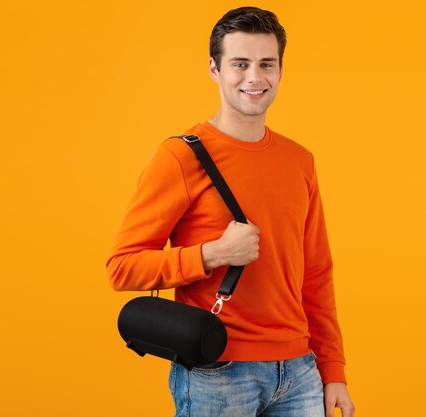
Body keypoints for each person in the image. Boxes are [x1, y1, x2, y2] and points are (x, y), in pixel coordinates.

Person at [106, 6, 355, 417]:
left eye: (266, 64)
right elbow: (122, 267)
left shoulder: (299, 160)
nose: (254, 77)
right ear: (214, 69)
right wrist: (213, 254)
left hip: (300, 373)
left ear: (279, 70)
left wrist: (333, 371)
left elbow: (316, 274)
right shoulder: (180, 156)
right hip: (217, 371)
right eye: (240, 64)